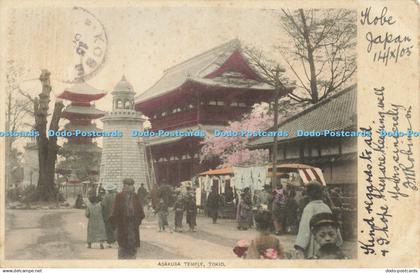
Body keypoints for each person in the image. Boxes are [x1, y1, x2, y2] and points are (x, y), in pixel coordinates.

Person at [294, 181, 342, 259]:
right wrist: (337, 239)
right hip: (328, 242)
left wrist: (300, 246)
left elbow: (305, 228)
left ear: (308, 194)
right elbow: (334, 227)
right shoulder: (326, 207)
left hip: (316, 241)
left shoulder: (309, 208)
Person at [110, 178, 145, 259]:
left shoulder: (135, 196)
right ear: (124, 186)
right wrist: (116, 227)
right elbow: (114, 212)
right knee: (123, 246)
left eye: (131, 185)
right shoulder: (119, 196)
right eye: (128, 185)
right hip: (122, 224)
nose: (130, 187)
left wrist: (137, 221)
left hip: (132, 225)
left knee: (133, 246)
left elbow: (140, 212)